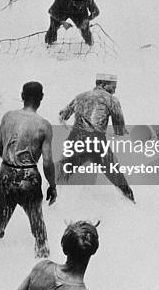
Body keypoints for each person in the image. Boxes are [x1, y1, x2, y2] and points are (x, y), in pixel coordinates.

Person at [0, 81, 57, 258]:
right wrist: (52, 185)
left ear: (22, 96)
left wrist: (11, 165)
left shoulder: (8, 117)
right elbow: (47, 162)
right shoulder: (44, 125)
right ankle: (41, 268)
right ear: (41, 98)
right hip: (28, 179)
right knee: (39, 231)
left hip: (5, 176)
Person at [58, 74, 135, 202]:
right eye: (113, 87)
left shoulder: (80, 96)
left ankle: (50, 206)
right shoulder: (112, 100)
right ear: (103, 84)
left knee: (60, 178)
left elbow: (62, 117)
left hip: (75, 140)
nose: (115, 90)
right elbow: (119, 129)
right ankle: (132, 204)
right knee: (118, 180)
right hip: (97, 143)